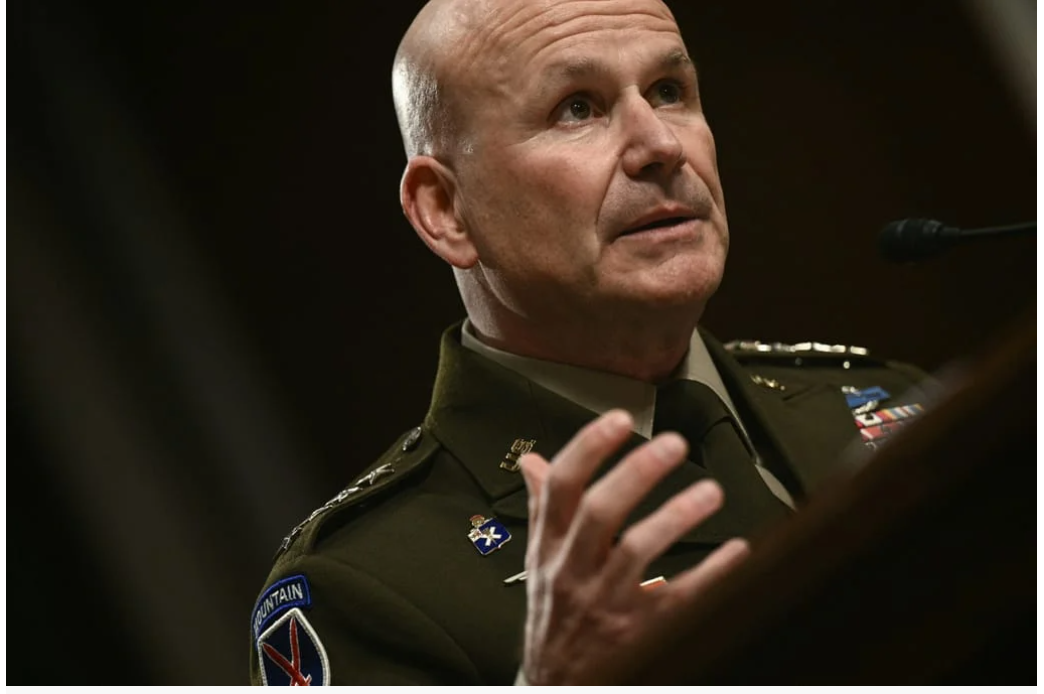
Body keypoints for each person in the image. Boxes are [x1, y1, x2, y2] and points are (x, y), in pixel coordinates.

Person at [248, 0, 929, 685]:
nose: (660, 145)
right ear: (446, 210)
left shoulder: (885, 401)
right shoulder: (363, 589)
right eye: (577, 108)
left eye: (669, 91)